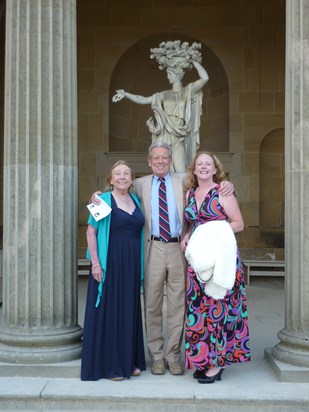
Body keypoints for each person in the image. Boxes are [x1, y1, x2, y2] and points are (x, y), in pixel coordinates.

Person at [90, 142, 235, 376]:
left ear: (170, 161)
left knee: (178, 305)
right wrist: (96, 195)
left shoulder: (185, 181)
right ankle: (156, 356)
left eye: (164, 158)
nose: (160, 161)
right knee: (152, 304)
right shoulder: (139, 183)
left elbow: (210, 183)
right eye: (155, 158)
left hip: (179, 247)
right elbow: (116, 189)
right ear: (149, 161)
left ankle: (173, 356)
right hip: (152, 248)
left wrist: (228, 183)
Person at [181, 152, 251, 384]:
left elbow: (239, 224)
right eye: (199, 164)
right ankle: (204, 360)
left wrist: (211, 235)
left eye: (207, 164)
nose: (203, 167)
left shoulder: (222, 191)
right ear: (193, 169)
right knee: (199, 311)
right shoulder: (190, 193)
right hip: (199, 262)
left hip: (221, 259)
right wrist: (188, 235)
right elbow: (194, 222)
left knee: (219, 310)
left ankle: (218, 364)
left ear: (214, 169)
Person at [81, 160, 146, 381]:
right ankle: (111, 366)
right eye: (117, 173)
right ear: (111, 179)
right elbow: (91, 232)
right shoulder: (104, 200)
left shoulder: (135, 200)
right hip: (109, 263)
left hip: (131, 264)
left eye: (126, 173)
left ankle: (128, 361)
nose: (122, 177)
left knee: (127, 310)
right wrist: (96, 264)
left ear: (131, 179)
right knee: (110, 311)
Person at [112, 57, 209, 173]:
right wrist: (125, 94)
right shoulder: (162, 95)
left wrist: (193, 61)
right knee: (160, 167)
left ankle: (182, 191)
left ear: (177, 75)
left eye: (170, 74)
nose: (167, 77)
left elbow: (205, 78)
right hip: (163, 132)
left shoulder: (187, 91)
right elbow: (142, 99)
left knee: (181, 170)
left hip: (179, 134)